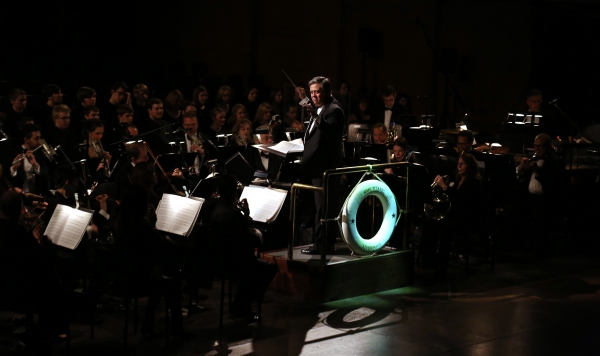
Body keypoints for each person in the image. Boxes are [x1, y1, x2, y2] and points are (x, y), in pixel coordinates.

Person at [208, 174, 277, 320]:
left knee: (253, 266)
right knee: (267, 268)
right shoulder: (234, 215)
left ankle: (241, 303)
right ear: (234, 193)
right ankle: (244, 305)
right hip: (232, 263)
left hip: (216, 259)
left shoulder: (216, 207)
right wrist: (246, 215)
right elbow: (251, 241)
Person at [296, 76, 345, 254]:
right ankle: (320, 243)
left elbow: (331, 132)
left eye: (318, 92)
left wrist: (315, 115)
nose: (314, 96)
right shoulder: (319, 108)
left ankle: (323, 245)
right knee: (319, 207)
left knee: (325, 208)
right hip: (317, 167)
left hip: (327, 168)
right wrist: (304, 100)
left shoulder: (334, 110)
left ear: (326, 92)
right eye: (312, 93)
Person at [432, 153, 483, 275]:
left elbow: (461, 201)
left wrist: (444, 186)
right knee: (432, 223)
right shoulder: (457, 180)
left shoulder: (474, 182)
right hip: (456, 216)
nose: (459, 166)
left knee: (446, 231)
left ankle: (442, 266)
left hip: (467, 220)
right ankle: (431, 259)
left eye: (462, 164)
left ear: (470, 166)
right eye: (458, 163)